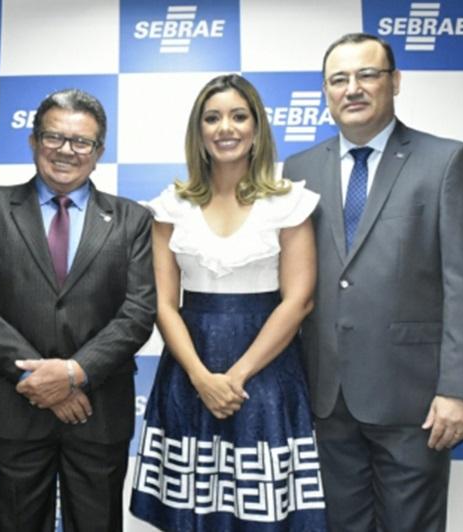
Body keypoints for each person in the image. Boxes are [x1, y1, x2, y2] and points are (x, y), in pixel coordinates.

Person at [282, 33, 463, 531]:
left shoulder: (445, 161)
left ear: (394, 81)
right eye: (339, 79)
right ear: (326, 92)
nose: (352, 88)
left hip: (414, 401)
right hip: (327, 398)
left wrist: (458, 391)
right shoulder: (299, 170)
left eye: (367, 75)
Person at [130, 74, 327, 530]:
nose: (226, 128)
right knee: (192, 512)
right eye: (212, 118)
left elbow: (298, 301)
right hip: (189, 371)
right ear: (198, 131)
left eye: (239, 116)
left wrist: (235, 378)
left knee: (266, 514)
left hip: (266, 372)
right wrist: (201, 378)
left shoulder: (288, 202)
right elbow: (164, 304)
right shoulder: (171, 206)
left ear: (257, 127)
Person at [0, 88, 156, 531]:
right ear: (33, 141)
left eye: (81, 141)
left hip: (96, 409)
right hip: (11, 408)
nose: (66, 150)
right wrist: (40, 380)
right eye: (54, 137)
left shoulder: (132, 220)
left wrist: (72, 374)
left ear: (98, 152)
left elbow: (138, 312)